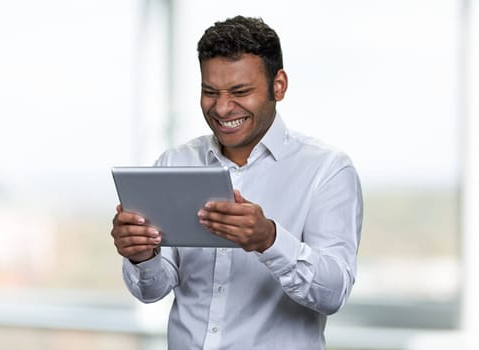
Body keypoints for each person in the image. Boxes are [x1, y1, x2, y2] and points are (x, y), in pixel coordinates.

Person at [111, 15, 363, 350]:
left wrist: (270, 240)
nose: (223, 107)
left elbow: (334, 293)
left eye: (240, 91)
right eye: (209, 92)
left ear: (279, 86)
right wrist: (142, 255)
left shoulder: (327, 170)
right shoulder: (176, 163)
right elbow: (151, 290)